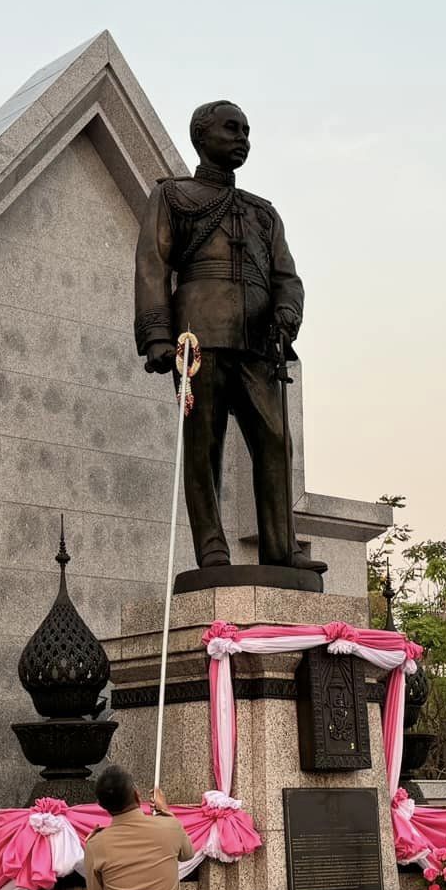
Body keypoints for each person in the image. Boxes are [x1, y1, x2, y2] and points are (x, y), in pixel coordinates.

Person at [133, 100, 314, 576]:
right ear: (201, 136)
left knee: (275, 440)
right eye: (232, 129)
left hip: (258, 343)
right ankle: (211, 548)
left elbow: (286, 278)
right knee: (203, 444)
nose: (242, 139)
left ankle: (281, 546)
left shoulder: (262, 213)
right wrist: (156, 334)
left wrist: (286, 314)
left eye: (247, 132)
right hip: (198, 339)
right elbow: (154, 264)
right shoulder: (173, 198)